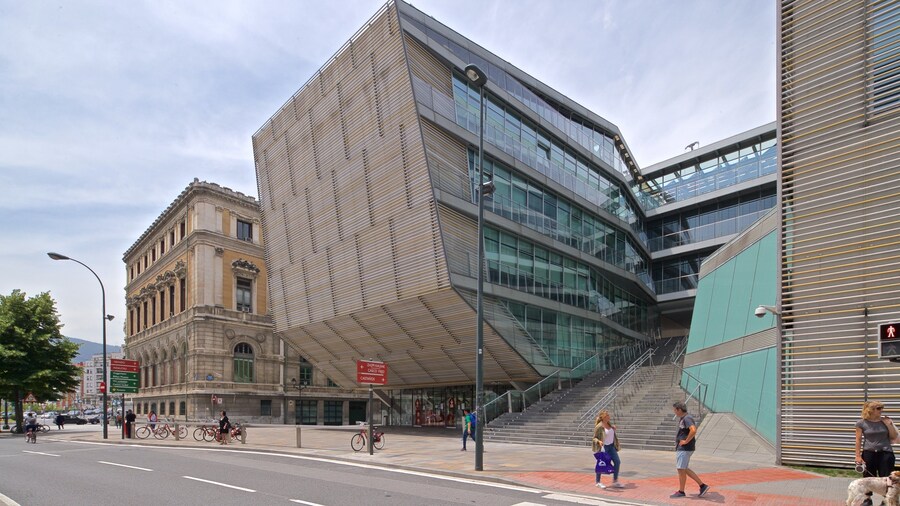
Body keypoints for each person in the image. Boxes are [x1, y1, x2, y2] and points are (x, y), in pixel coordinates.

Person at [855, 401, 898, 505]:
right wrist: (857, 456)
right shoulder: (861, 423)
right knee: (868, 478)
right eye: (879, 408)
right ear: (871, 410)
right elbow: (858, 439)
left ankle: (887, 500)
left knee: (888, 478)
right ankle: (867, 500)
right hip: (869, 453)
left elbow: (893, 436)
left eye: (882, 408)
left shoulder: (885, 421)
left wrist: (889, 424)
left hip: (885, 453)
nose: (881, 410)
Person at [671, 401, 710, 498]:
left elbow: (693, 430)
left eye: (675, 410)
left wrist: (686, 441)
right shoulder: (684, 418)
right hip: (685, 448)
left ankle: (681, 491)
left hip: (684, 448)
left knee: (681, 469)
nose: (674, 412)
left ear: (679, 409)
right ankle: (702, 486)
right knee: (684, 468)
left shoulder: (687, 418)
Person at [592, 409, 623, 489]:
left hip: (611, 447)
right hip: (604, 447)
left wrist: (612, 428)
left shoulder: (609, 424)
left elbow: (610, 433)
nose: (609, 416)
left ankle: (615, 481)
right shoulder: (599, 426)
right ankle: (598, 482)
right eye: (607, 415)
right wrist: (599, 441)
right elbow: (594, 438)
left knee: (617, 462)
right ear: (603, 417)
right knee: (601, 464)